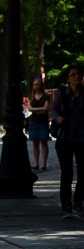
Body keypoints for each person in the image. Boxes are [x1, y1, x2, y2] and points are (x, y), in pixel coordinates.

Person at [52, 64, 84, 218]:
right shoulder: (62, 93)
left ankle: (78, 202)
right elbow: (55, 109)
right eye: (73, 75)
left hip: (82, 137)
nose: (77, 77)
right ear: (68, 78)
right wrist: (58, 119)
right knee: (67, 172)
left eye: (79, 74)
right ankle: (66, 206)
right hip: (65, 137)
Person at [27, 77, 53, 171]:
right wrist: (40, 109)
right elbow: (29, 108)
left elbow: (46, 109)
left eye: (38, 84)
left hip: (43, 122)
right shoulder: (31, 96)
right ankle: (36, 163)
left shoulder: (46, 96)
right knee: (35, 142)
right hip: (33, 121)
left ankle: (44, 164)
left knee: (43, 142)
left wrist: (36, 110)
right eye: (34, 84)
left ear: (41, 85)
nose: (36, 86)